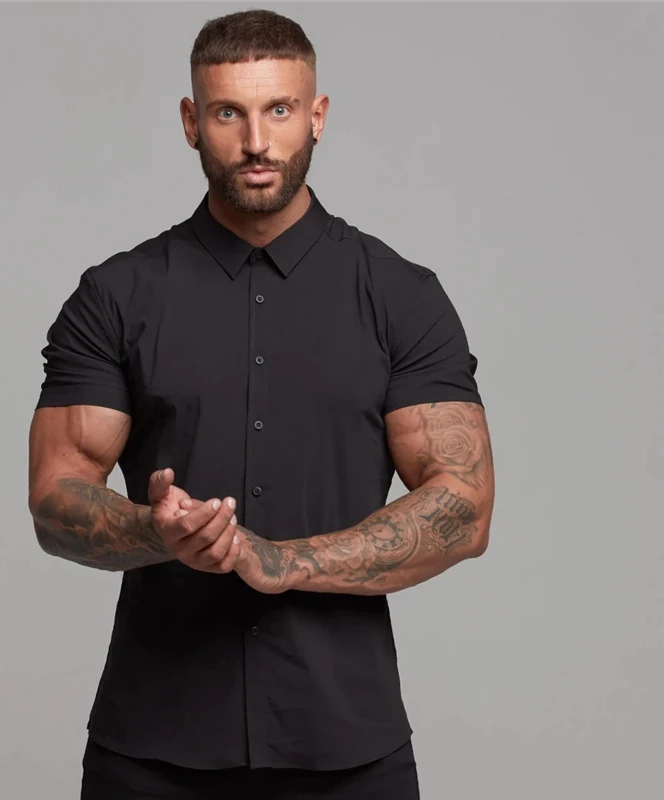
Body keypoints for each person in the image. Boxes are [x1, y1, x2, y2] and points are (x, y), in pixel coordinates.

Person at [28, 8, 495, 799]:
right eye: (227, 113)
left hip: (348, 753)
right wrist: (155, 531)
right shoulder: (115, 296)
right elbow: (55, 498)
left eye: (279, 109)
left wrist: (281, 563)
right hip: (150, 754)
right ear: (191, 121)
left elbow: (464, 506)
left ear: (317, 116)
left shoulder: (401, 297)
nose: (255, 141)